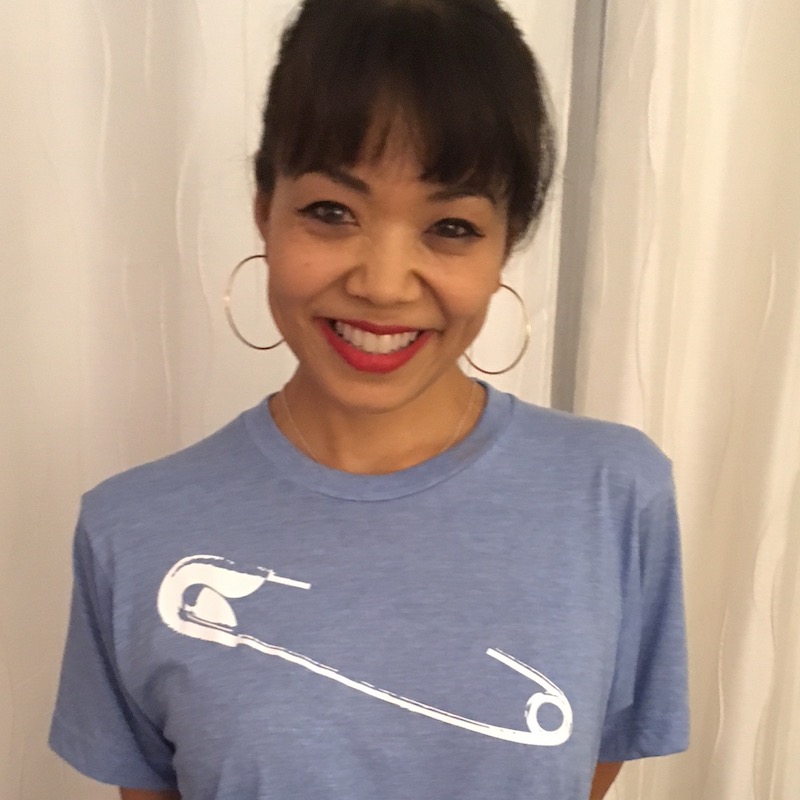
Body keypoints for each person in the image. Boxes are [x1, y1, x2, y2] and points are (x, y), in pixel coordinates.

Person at [49, 1, 689, 798]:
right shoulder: (131, 530)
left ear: (507, 242)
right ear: (265, 210)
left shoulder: (615, 496)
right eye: (331, 212)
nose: (383, 285)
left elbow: (587, 764)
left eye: (451, 227)